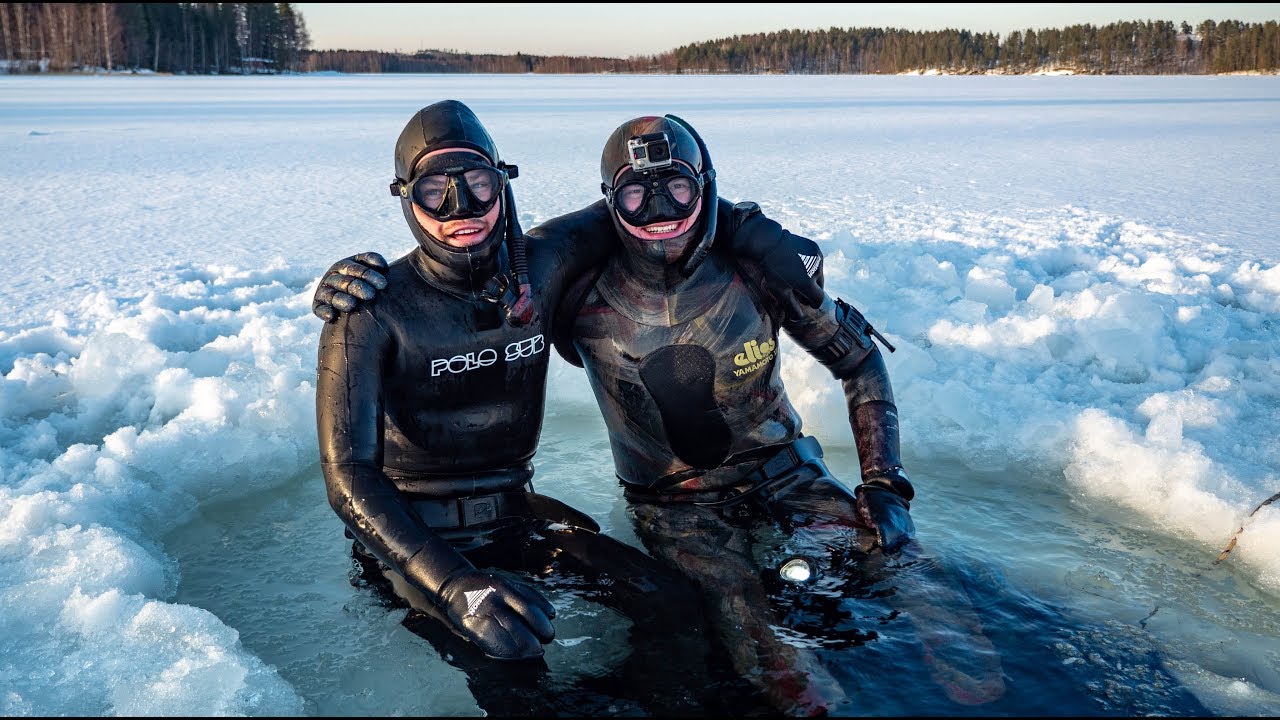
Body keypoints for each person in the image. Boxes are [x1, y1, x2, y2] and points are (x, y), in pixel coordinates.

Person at [316, 113, 1004, 715]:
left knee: (873, 574)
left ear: (503, 183)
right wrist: (452, 586)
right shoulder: (415, 304)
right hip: (574, 514)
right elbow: (348, 476)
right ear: (405, 196)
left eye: (476, 184)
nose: (460, 206)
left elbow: (853, 354)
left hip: (724, 481)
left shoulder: (587, 266)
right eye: (434, 190)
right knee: (688, 635)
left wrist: (885, 482)